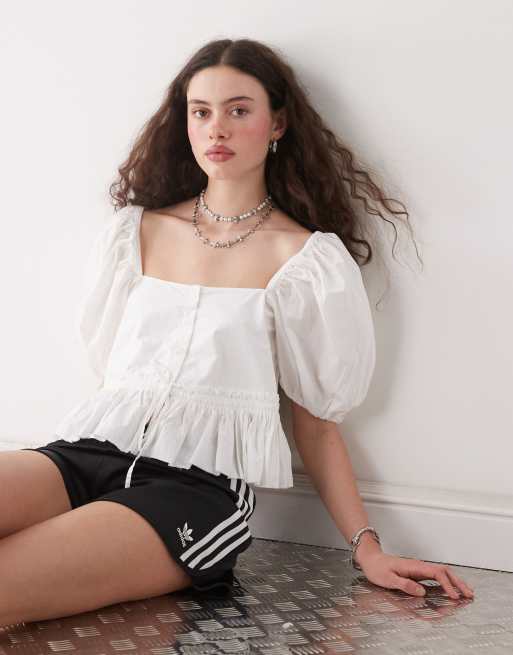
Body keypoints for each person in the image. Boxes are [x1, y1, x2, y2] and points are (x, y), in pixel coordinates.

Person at [2, 37, 473, 627]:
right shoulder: (134, 233)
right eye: (201, 111)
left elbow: (316, 424)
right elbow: (110, 371)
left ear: (277, 124)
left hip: (192, 493)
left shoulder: (306, 261)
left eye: (238, 110)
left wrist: (368, 548)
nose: (216, 128)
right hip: (82, 457)